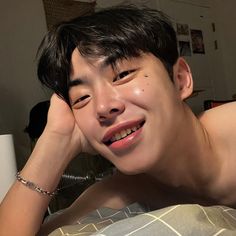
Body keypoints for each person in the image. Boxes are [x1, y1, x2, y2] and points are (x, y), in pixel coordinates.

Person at [0, 5, 236, 236]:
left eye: (122, 75)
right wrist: (55, 140)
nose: (103, 107)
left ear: (181, 80)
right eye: (81, 98)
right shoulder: (119, 193)